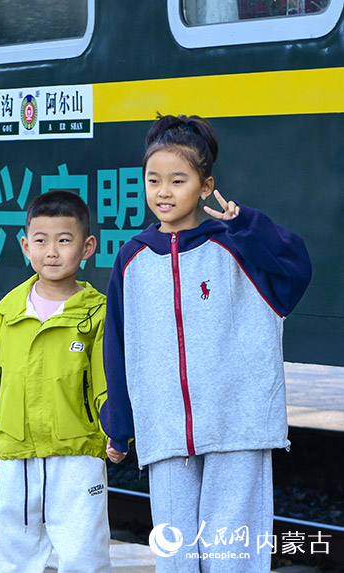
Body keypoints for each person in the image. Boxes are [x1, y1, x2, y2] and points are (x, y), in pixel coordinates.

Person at [101, 115, 312, 571]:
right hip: (165, 428)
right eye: (153, 180)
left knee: (231, 550)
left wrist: (248, 226)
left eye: (178, 180)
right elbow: (117, 343)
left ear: (205, 185)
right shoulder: (133, 258)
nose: (164, 191)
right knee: (176, 554)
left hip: (238, 424)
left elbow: (296, 271)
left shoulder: (238, 246)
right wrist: (119, 423)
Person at [0, 191, 114, 573]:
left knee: (83, 550)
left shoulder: (96, 314)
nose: (51, 252)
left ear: (87, 247)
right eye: (41, 240)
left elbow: (107, 383)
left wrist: (117, 431)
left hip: (76, 453)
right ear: (26, 246)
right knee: (12, 550)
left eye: (64, 240)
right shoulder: (11, 308)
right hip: (18, 451)